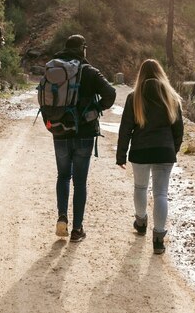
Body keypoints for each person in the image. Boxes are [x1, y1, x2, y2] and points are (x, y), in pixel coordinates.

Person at [52, 34, 116, 242]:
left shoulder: (55, 69)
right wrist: (95, 109)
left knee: (63, 176)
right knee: (80, 182)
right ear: (83, 49)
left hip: (60, 131)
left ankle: (62, 216)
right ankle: (77, 229)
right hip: (85, 134)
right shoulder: (90, 72)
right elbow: (111, 93)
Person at [116, 59, 183, 254]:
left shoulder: (134, 97)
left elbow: (125, 129)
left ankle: (141, 222)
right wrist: (172, 150)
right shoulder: (171, 97)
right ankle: (159, 239)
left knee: (140, 187)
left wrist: (121, 155)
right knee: (161, 193)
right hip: (165, 151)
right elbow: (179, 130)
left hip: (140, 151)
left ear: (141, 74)